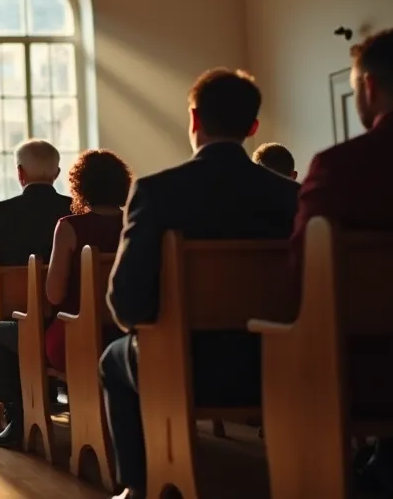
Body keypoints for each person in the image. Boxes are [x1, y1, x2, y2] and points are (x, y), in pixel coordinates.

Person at [101, 69, 299, 499]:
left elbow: (126, 303)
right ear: (252, 128)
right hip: (279, 363)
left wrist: (159, 329)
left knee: (113, 359)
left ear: (194, 120)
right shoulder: (290, 196)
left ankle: (139, 486)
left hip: (184, 363)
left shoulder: (158, 191)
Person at [292, 29, 393, 496]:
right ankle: (388, 456)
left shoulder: (341, 166)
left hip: (363, 372)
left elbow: (302, 280)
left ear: (369, 88)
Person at [0, 139, 74, 447]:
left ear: (20, 174)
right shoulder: (73, 210)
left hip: (20, 316)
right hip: (68, 315)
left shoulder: (3, 213)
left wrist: (4, 300)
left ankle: (17, 417)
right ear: (56, 172)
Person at [42, 150, 131, 371]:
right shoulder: (134, 224)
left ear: (80, 186)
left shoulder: (69, 227)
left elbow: (54, 295)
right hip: (126, 332)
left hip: (76, 334)